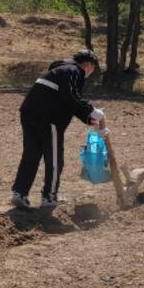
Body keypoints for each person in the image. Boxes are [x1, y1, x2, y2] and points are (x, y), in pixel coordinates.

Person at [10, 49, 105, 210]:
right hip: (49, 118)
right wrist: (90, 109)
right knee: (54, 160)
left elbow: (68, 102)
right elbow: (70, 95)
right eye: (94, 67)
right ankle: (49, 197)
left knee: (31, 155)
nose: (92, 71)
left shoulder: (59, 70)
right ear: (88, 64)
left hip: (28, 113)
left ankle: (19, 193)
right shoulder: (75, 70)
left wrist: (89, 119)